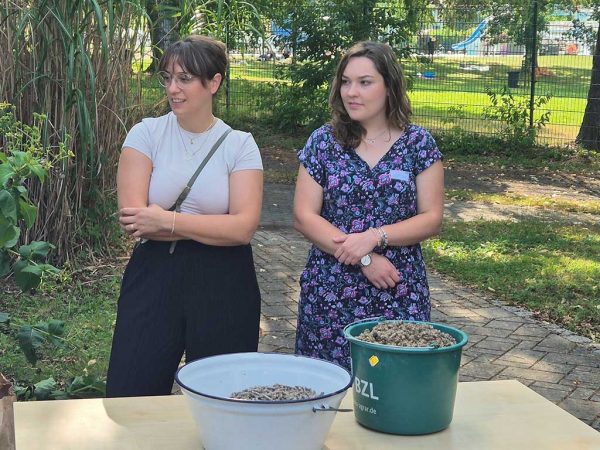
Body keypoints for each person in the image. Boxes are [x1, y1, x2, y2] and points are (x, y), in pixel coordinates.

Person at [106, 35, 263, 397]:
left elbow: (243, 228)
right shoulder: (146, 134)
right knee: (132, 390)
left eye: (185, 79)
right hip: (155, 275)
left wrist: (168, 221)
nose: (173, 89)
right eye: (168, 78)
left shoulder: (240, 144)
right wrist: (212, 226)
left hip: (226, 280)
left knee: (225, 397)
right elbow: (135, 220)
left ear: (214, 83)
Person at [293, 41, 444, 370]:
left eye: (365, 82)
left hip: (397, 288)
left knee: (396, 390)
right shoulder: (323, 142)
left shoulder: (418, 144)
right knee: (328, 393)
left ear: (389, 86)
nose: (351, 92)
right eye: (345, 82)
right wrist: (362, 256)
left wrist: (375, 236)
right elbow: (304, 217)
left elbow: (431, 218)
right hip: (331, 292)